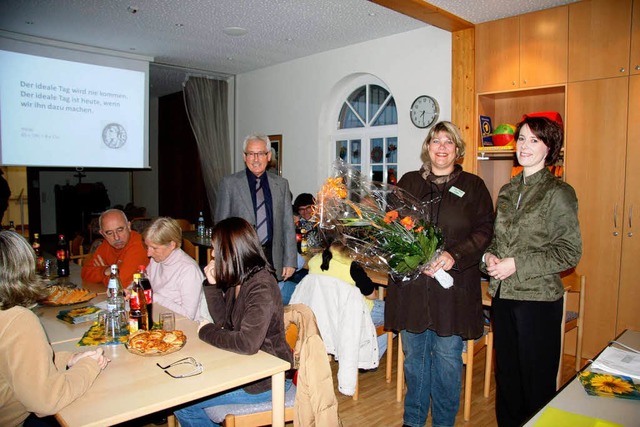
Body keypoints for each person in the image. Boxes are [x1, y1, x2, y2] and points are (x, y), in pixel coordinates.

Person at [385, 121, 494, 427]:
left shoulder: (473, 187)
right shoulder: (408, 182)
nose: (442, 147)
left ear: (457, 150)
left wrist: (452, 255)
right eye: (436, 141)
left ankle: (444, 423)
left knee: (447, 362)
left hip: (453, 292)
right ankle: (414, 421)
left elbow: (485, 230)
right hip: (413, 289)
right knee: (415, 360)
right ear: (427, 148)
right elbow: (391, 227)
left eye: (449, 142)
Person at [482, 115, 582, 427]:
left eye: (534, 140)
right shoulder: (508, 190)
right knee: (508, 382)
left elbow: (570, 251)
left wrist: (518, 263)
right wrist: (490, 257)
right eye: (521, 138)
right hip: (504, 296)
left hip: (538, 302)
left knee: (536, 385)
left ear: (549, 147)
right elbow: (498, 240)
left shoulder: (559, 192)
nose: (524, 146)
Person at [173, 217, 294, 427]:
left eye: (214, 248)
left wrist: (205, 331)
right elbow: (224, 324)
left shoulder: (262, 285)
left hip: (266, 380)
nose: (212, 254)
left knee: (183, 403)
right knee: (183, 384)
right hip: (246, 368)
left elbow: (246, 344)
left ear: (231, 251)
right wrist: (211, 286)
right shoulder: (239, 279)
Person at [0, 230, 110, 427]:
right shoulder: (17, 319)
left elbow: (17, 364)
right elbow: (47, 401)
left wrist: (69, 359)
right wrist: (90, 365)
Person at [214, 134, 297, 282]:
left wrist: (290, 261)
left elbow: (288, 226)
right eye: (251, 154)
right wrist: (223, 261)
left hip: (272, 257)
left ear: (269, 156)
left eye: (260, 154)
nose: (256, 159)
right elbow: (221, 227)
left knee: (270, 301)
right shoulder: (230, 184)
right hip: (240, 258)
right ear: (244, 157)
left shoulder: (281, 184)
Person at [307, 239, 389, 360]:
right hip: (353, 315)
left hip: (324, 314)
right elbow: (371, 295)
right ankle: (368, 355)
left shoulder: (313, 261)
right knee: (397, 315)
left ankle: (362, 348)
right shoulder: (350, 265)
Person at [142, 217, 210, 321]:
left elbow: (189, 315)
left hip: (185, 324)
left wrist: (156, 298)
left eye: (154, 248)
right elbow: (142, 282)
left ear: (172, 245)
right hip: (160, 317)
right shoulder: (156, 261)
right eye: (147, 247)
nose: (148, 253)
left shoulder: (188, 270)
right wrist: (131, 289)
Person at [81, 208, 149, 286]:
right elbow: (85, 273)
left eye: (120, 230)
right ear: (102, 234)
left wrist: (103, 274)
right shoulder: (106, 244)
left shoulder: (139, 244)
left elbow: (119, 283)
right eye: (109, 233)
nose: (116, 237)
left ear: (129, 226)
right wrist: (105, 270)